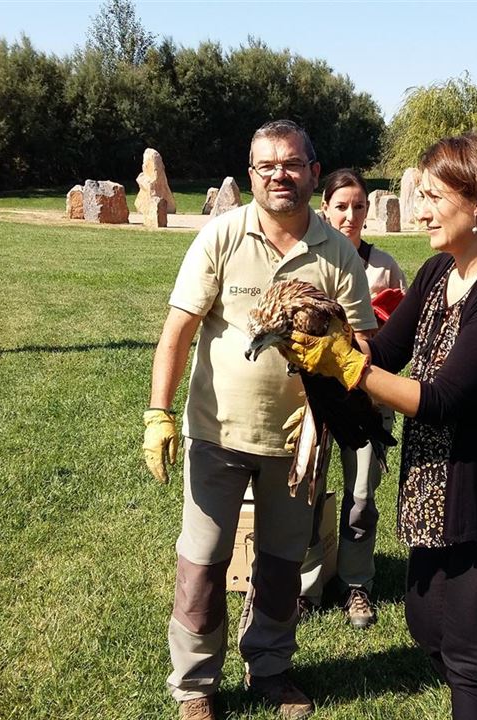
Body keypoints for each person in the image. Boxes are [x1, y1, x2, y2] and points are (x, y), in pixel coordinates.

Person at [283, 130, 477, 719]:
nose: (419, 210)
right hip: (442, 488)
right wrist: (322, 336)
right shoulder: (436, 272)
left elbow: (444, 399)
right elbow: (386, 353)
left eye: (432, 197)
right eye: (419, 195)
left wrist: (345, 365)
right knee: (426, 625)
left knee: (472, 657)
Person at [142, 120, 375, 720]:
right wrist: (157, 413)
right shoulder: (221, 235)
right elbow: (179, 330)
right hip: (217, 432)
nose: (280, 175)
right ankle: (196, 685)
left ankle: (270, 667)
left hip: (300, 441)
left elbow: (362, 346)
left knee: (280, 563)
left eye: (293, 164)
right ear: (251, 174)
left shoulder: (338, 250)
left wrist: (339, 366)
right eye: (266, 165)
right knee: (203, 561)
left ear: (313, 173)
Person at [297, 168, 406, 630]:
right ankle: (307, 585)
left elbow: (400, 337)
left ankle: (357, 582)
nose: (350, 215)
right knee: (307, 494)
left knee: (361, 495)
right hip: (313, 402)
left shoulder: (384, 266)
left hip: (365, 400)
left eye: (359, 206)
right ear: (325, 208)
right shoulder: (310, 261)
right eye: (340, 205)